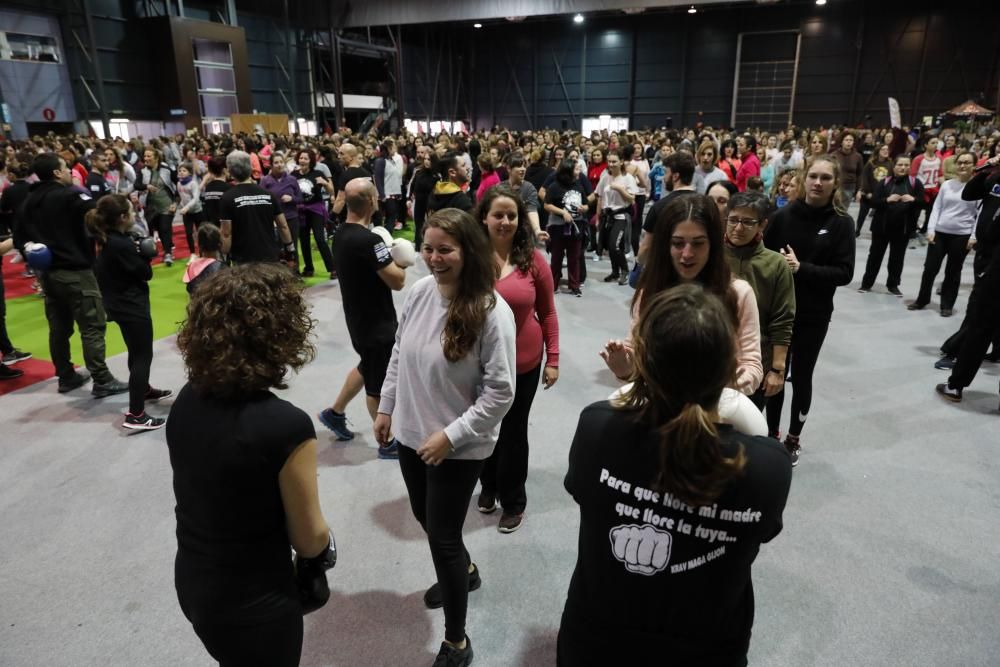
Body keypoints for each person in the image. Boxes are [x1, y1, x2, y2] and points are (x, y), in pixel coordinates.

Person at [558, 284, 792, 666]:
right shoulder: (769, 467)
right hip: (707, 648)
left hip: (598, 638)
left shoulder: (597, 428)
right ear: (729, 371)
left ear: (645, 363)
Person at [167, 263, 335, 666]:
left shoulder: (186, 400)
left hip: (195, 581)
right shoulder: (285, 425)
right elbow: (309, 537)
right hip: (256, 601)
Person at [374, 208, 516, 667]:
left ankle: (457, 640)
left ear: (468, 251)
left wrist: (451, 437)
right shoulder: (418, 292)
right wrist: (387, 404)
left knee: (444, 538)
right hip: (412, 435)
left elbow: (501, 393)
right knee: (426, 518)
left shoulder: (493, 313)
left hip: (458, 446)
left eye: (445, 250)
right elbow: (400, 352)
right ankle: (467, 572)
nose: (434, 258)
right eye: (428, 248)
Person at [603, 195, 763, 398]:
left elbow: (751, 364)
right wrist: (624, 367)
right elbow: (635, 353)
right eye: (678, 243)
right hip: (658, 405)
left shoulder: (739, 293)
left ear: (713, 245)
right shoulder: (651, 290)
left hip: (714, 408)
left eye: (698, 244)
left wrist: (730, 383)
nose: (687, 254)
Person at [474, 185, 559, 533]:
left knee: (512, 430)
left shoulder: (534, 260)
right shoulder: (471, 256)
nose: (506, 221)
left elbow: (548, 313)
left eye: (512, 215)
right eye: (499, 214)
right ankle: (488, 484)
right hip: (478, 362)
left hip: (523, 362)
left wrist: (552, 358)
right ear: (484, 218)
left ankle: (514, 499)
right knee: (481, 425)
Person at [764, 155, 855, 463]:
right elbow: (762, 257)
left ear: (835, 184)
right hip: (779, 313)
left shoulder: (841, 223)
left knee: (802, 377)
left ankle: (793, 438)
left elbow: (844, 273)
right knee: (775, 373)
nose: (818, 182)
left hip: (814, 315)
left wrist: (802, 268)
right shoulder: (783, 217)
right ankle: (771, 434)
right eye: (813, 176)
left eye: (825, 178)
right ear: (804, 179)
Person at [19, 153, 128, 397]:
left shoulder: (28, 201)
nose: (70, 171)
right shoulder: (70, 195)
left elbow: (19, 239)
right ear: (57, 173)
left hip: (47, 274)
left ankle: (65, 375)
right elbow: (100, 211)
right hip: (75, 271)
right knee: (92, 325)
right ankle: (102, 379)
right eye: (65, 168)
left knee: (58, 327)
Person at [320, 178, 413, 459]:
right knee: (377, 385)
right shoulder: (370, 241)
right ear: (372, 202)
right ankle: (386, 442)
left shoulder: (340, 234)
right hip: (377, 325)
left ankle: (334, 412)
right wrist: (403, 260)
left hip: (358, 320)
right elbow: (397, 281)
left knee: (366, 366)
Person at [88, 194, 170, 429]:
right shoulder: (120, 244)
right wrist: (145, 256)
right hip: (130, 305)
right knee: (143, 356)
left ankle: (143, 390)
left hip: (118, 302)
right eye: (132, 212)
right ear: (123, 217)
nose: (135, 215)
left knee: (135, 352)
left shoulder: (109, 239)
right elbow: (145, 273)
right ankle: (136, 415)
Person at [724, 191, 796, 410]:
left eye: (747, 222)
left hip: (754, 365)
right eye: (733, 220)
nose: (738, 228)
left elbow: (783, 319)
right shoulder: (709, 255)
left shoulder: (775, 264)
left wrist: (777, 369)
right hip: (710, 361)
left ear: (762, 225)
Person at [907, 152, 979, 316]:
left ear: (974, 166)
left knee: (953, 271)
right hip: (939, 233)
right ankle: (922, 299)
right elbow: (936, 208)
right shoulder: (947, 185)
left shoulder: (977, 188)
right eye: (959, 162)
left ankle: (947, 304)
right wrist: (931, 230)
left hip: (962, 235)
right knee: (930, 269)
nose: (962, 166)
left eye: (967, 162)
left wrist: (973, 236)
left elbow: (979, 215)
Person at [858, 155, 924, 296]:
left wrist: (913, 199)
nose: (903, 168)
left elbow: (923, 203)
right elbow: (874, 202)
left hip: (903, 229)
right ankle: (867, 283)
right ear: (894, 167)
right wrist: (887, 200)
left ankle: (893, 285)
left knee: (897, 258)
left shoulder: (915, 183)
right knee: (875, 256)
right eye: (900, 165)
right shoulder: (884, 182)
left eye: (906, 165)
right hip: (881, 228)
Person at [219, 151, 295, 265]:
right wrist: (290, 249)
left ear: (230, 171)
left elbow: (226, 233)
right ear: (250, 168)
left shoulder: (227, 198)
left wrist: (224, 257)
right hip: (270, 255)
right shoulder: (268, 195)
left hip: (243, 258)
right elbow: (283, 225)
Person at [638, 152, 699, 265]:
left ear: (675, 176)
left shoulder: (659, 207)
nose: (664, 178)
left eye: (666, 173)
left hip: (665, 268)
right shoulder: (706, 205)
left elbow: (646, 247)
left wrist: (638, 267)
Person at [544, 158, 594, 297]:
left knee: (575, 258)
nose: (580, 171)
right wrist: (562, 212)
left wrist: (583, 208)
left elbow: (586, 204)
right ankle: (552, 284)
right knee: (556, 258)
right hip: (558, 227)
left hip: (576, 227)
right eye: (577, 169)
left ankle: (574, 285)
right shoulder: (554, 187)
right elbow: (547, 205)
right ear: (568, 171)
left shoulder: (578, 186)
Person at [594, 149, 638, 284]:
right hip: (607, 216)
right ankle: (614, 272)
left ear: (621, 162)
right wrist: (597, 216)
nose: (611, 164)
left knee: (615, 246)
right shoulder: (605, 177)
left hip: (621, 216)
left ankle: (625, 271)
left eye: (614, 161)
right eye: (609, 161)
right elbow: (600, 197)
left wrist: (620, 189)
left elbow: (632, 199)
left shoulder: (628, 178)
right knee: (608, 246)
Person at [294, 149, 337, 279]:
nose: (302, 161)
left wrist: (325, 183)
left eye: (306, 158)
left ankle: (333, 268)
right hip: (300, 211)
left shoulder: (318, 173)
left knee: (319, 238)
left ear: (311, 161)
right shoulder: (293, 175)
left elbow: (331, 191)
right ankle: (308, 268)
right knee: (304, 240)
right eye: (301, 158)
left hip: (316, 210)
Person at [135, 148, 177, 266]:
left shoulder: (166, 170)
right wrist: (146, 186)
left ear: (156, 158)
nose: (146, 159)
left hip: (167, 204)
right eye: (145, 156)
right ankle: (162, 251)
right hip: (150, 207)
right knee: (156, 228)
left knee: (165, 228)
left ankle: (168, 254)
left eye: (149, 156)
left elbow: (177, 183)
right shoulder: (142, 171)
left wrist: (175, 202)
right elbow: (136, 185)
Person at [261, 154, 304, 271]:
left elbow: (300, 198)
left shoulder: (292, 179)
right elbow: (262, 199)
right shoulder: (265, 181)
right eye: (276, 162)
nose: (279, 165)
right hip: (273, 221)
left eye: (281, 162)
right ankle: (281, 275)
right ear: (271, 165)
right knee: (276, 249)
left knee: (292, 247)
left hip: (291, 218)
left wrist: (292, 199)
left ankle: (296, 273)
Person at [856, 144, 893, 236]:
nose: (886, 151)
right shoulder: (871, 163)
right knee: (862, 214)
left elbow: (892, 179)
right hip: (869, 194)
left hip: (882, 195)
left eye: (887, 150)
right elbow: (864, 177)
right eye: (883, 149)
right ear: (878, 151)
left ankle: (878, 231)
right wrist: (867, 191)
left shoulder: (890, 164)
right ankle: (857, 230)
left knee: (881, 215)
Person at [183, 223, 227, 294]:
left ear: (199, 244)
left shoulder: (192, 265)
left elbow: (189, 287)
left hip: (196, 303)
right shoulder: (221, 267)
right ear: (219, 244)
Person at [375, 138, 406, 231]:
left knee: (391, 218)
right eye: (393, 148)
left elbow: (395, 178)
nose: (395, 150)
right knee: (389, 218)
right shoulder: (381, 161)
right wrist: (382, 195)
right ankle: (385, 237)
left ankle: (386, 237)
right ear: (388, 148)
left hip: (393, 194)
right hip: (386, 195)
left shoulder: (391, 161)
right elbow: (378, 178)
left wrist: (398, 193)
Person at [176, 162, 204, 259]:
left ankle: (201, 252)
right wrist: (180, 206)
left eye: (184, 170)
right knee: (188, 233)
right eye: (180, 170)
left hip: (197, 211)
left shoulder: (193, 184)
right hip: (187, 213)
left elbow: (195, 198)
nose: (181, 172)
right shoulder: (179, 183)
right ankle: (192, 253)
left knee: (200, 233)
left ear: (190, 173)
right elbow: (182, 197)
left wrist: (186, 207)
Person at [199, 156, 231, 228]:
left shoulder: (208, 187)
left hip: (211, 226)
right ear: (224, 170)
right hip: (225, 227)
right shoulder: (228, 187)